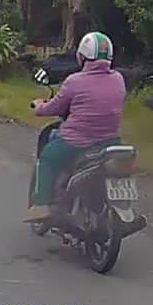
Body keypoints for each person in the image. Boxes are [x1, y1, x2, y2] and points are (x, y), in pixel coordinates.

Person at [26, 31, 126, 222]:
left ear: (82, 56)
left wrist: (39, 107)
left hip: (78, 143)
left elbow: (54, 107)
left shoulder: (74, 82)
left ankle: (41, 205)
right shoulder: (118, 79)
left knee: (47, 158)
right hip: (110, 143)